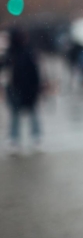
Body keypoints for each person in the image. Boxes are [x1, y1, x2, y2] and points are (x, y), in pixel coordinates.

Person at [2, 27, 43, 155]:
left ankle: (33, 138)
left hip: (24, 88)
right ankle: (17, 140)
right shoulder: (14, 53)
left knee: (29, 114)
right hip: (17, 89)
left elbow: (34, 72)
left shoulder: (24, 52)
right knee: (18, 115)